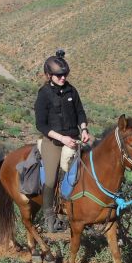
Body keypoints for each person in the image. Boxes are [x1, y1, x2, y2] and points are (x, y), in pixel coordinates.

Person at [34, 49, 90, 232]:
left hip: (75, 138)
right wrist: (62, 138)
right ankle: (49, 217)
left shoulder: (71, 90)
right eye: (58, 75)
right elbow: (40, 124)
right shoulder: (43, 94)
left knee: (89, 170)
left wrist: (83, 129)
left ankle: (85, 213)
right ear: (49, 75)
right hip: (54, 142)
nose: (62, 78)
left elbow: (80, 112)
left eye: (64, 74)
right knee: (50, 179)